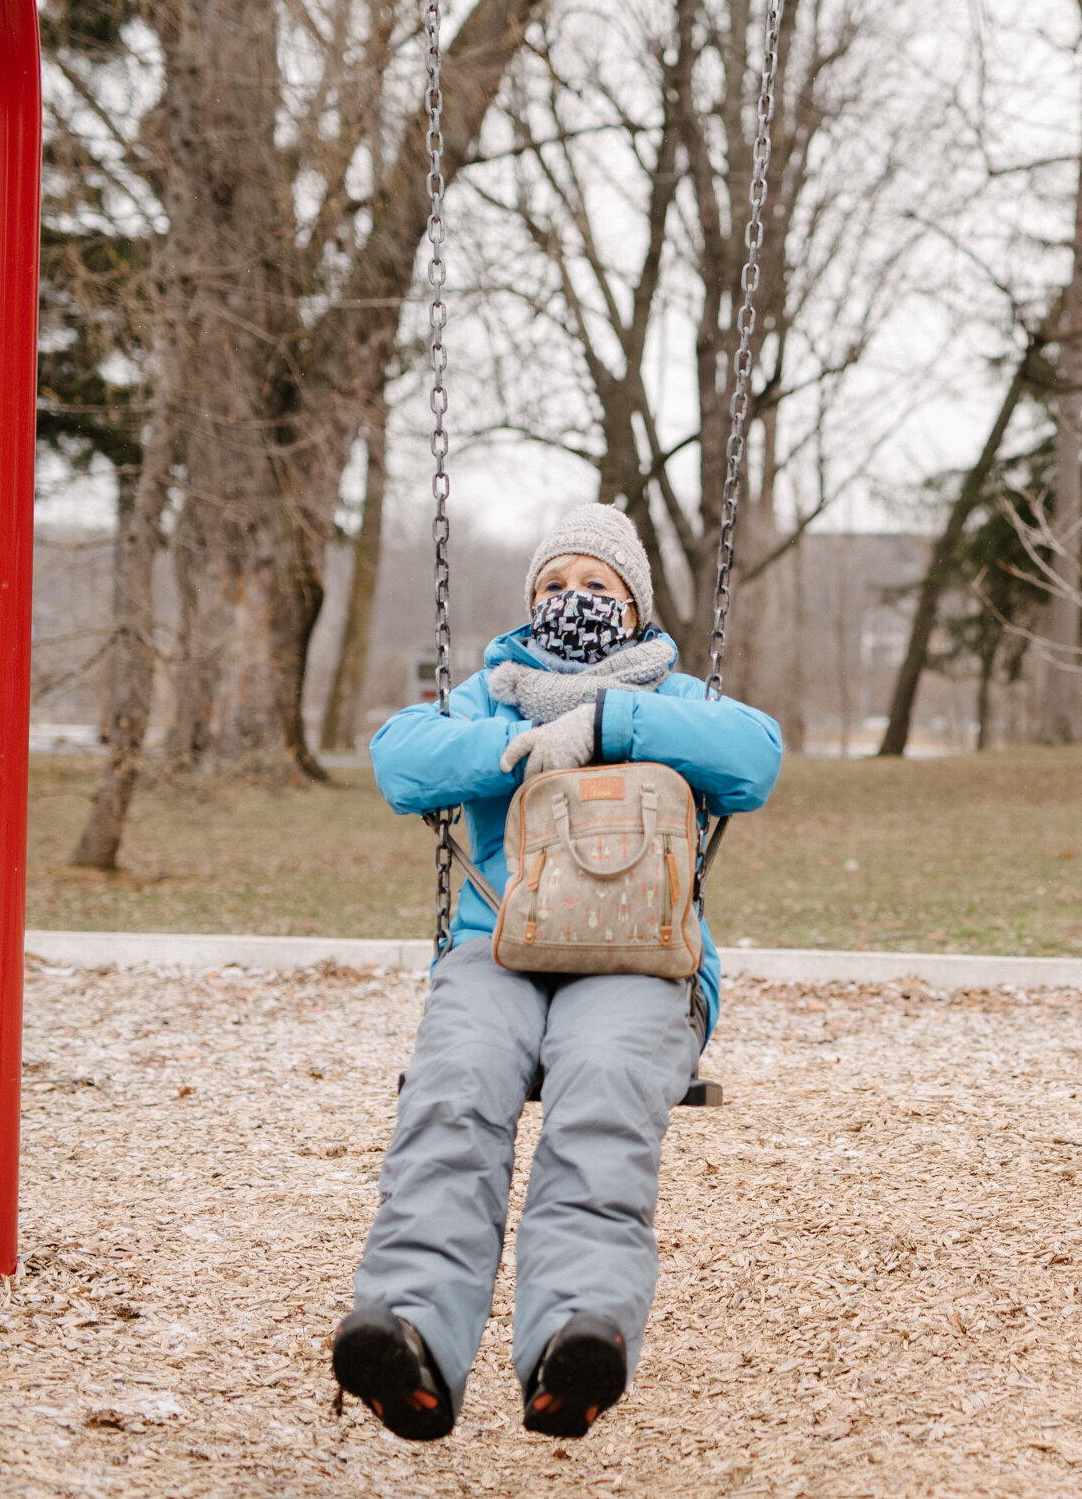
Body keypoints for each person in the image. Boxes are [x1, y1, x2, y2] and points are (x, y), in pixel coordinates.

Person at [331, 503, 781, 1441]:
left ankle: (575, 1341)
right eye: (552, 586)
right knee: (454, 1091)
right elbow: (398, 762)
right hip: (498, 950)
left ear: (635, 604)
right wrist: (517, 746)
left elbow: (757, 759)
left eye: (595, 586)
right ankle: (409, 1332)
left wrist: (608, 723)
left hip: (638, 958)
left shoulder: (678, 699)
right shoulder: (494, 691)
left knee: (603, 1091)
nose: (571, 601)